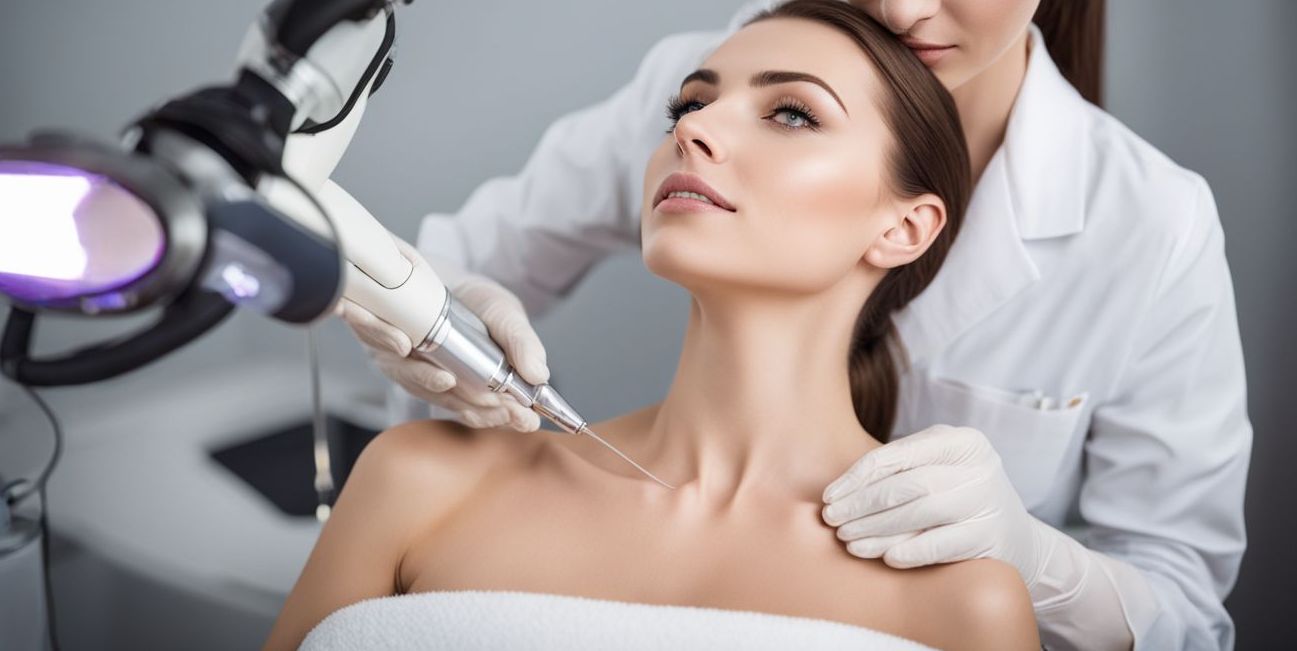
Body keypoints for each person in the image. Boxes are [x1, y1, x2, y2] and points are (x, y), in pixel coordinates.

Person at [336, 0, 1252, 648]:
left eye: (791, 113)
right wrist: (433, 311)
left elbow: (1184, 608)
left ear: (906, 226)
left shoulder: (1147, 220)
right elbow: (460, 257)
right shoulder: (419, 488)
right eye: (688, 108)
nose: (899, 9)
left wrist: (1030, 559)